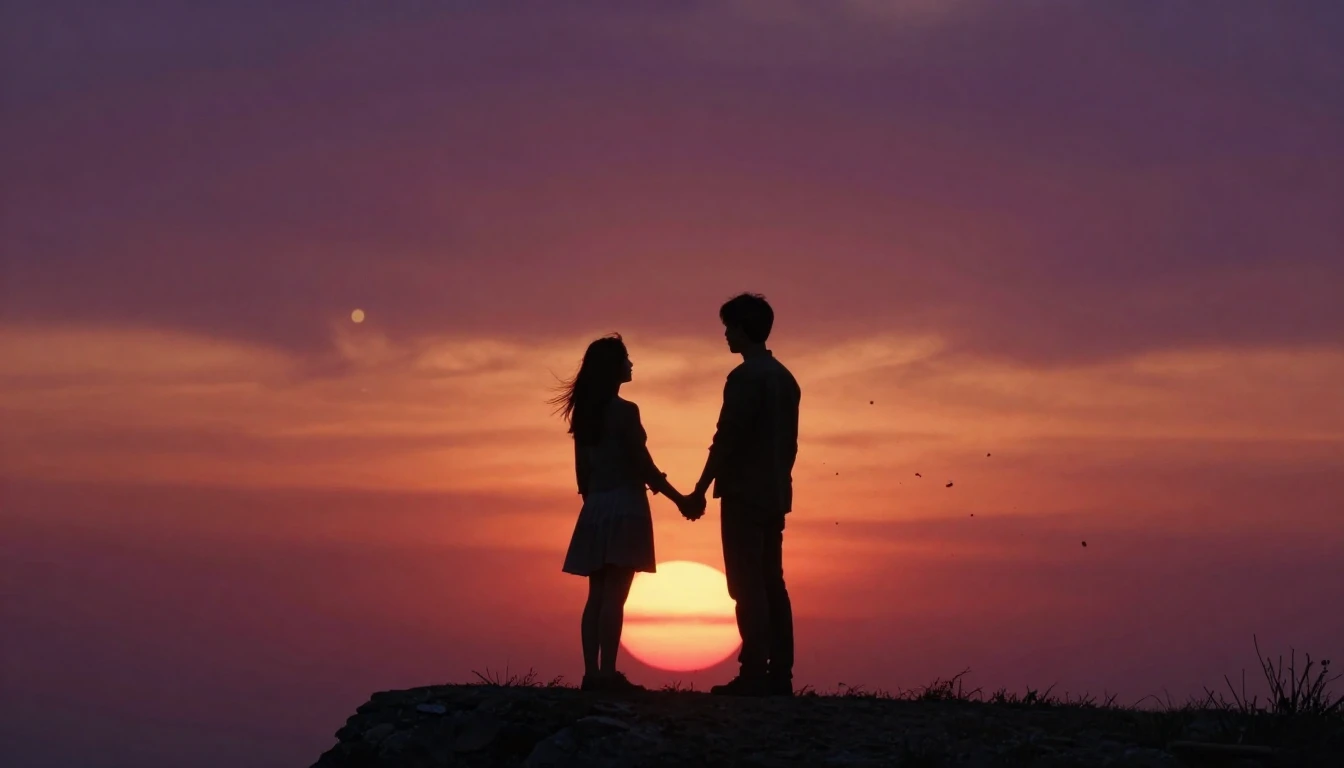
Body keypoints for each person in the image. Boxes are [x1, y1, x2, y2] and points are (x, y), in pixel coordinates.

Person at [550, 333, 695, 693]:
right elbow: (643, 464)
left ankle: (591, 673)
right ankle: (609, 673)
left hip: (596, 506)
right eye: (626, 359)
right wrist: (680, 499)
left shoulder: (586, 414)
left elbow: (581, 471)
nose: (631, 364)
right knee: (616, 594)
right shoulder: (625, 411)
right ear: (613, 368)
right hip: (626, 505)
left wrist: (592, 501)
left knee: (596, 594)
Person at [680, 293, 800, 696]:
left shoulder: (746, 378)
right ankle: (779, 674)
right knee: (772, 582)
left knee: (747, 584)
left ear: (745, 329)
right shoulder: (786, 378)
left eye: (730, 327)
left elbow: (726, 440)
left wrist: (699, 489)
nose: (726, 335)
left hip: (745, 493)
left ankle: (752, 673)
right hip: (776, 492)